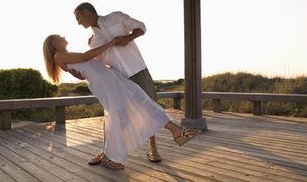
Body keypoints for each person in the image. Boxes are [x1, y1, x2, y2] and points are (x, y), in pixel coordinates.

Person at [43, 34, 199, 170]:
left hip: (110, 78)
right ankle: (110, 157)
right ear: (53, 43)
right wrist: (110, 43)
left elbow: (84, 70)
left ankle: (176, 131)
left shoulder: (66, 55)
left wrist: (91, 49)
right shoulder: (58, 56)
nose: (63, 36)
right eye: (59, 36)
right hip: (104, 82)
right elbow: (86, 58)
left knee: (142, 102)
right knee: (119, 116)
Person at [70, 2, 164, 163]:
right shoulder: (94, 41)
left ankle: (153, 148)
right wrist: (73, 68)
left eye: (78, 17)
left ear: (87, 11)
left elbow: (141, 26)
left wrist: (129, 37)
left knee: (149, 109)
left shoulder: (116, 17)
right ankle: (107, 152)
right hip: (118, 79)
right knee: (113, 115)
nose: (78, 22)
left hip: (138, 70)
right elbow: (95, 64)